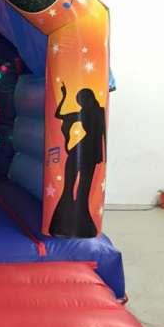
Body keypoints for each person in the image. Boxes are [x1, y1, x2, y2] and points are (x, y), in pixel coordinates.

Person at [49, 84, 106, 237]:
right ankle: (63, 224)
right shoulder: (87, 112)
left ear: (88, 98)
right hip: (85, 151)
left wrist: (102, 155)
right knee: (71, 185)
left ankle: (77, 225)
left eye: (81, 99)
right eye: (79, 100)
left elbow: (103, 135)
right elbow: (59, 115)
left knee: (82, 188)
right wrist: (64, 96)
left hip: (87, 151)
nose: (80, 103)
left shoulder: (97, 112)